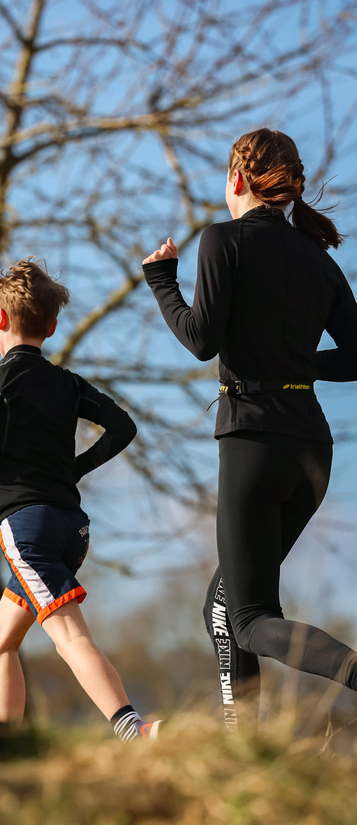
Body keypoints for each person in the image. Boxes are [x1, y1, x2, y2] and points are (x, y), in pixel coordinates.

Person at [142, 127, 357, 728]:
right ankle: (246, 743)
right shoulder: (319, 261)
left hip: (253, 445)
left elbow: (200, 338)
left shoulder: (223, 240)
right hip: (313, 452)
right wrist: (298, 363)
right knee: (226, 604)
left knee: (250, 618)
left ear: (236, 180)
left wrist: (162, 281)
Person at [0, 257, 161, 741]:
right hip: (72, 529)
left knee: (69, 637)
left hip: (25, 530)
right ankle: (8, 745)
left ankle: (133, 729)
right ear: (50, 326)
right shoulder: (67, 382)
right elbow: (123, 427)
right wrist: (75, 468)